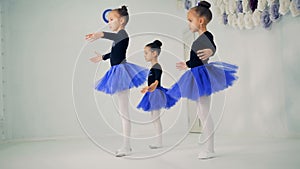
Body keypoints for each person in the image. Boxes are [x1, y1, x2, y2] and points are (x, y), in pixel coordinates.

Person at [167, 1, 238, 159]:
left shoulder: (206, 36)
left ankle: (210, 147)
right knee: (200, 111)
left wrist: (210, 51)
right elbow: (196, 59)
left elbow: (212, 47)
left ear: (201, 21)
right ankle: (206, 137)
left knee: (204, 112)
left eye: (190, 20)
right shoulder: (198, 38)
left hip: (202, 76)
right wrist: (187, 64)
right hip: (195, 73)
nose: (188, 23)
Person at [85, 5, 148, 157]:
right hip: (117, 71)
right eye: (108, 20)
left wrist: (101, 34)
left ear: (121, 21)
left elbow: (116, 38)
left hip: (121, 72)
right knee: (123, 111)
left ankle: (126, 146)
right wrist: (103, 57)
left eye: (111, 19)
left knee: (124, 112)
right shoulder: (119, 36)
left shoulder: (123, 34)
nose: (109, 23)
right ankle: (127, 145)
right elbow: (114, 52)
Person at [137, 40, 178, 149]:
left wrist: (150, 87)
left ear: (154, 53)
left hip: (156, 93)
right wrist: (148, 88)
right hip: (152, 92)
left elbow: (156, 82)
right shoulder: (153, 67)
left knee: (156, 118)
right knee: (154, 118)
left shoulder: (157, 67)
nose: (144, 55)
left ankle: (159, 142)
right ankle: (158, 140)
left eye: (146, 53)